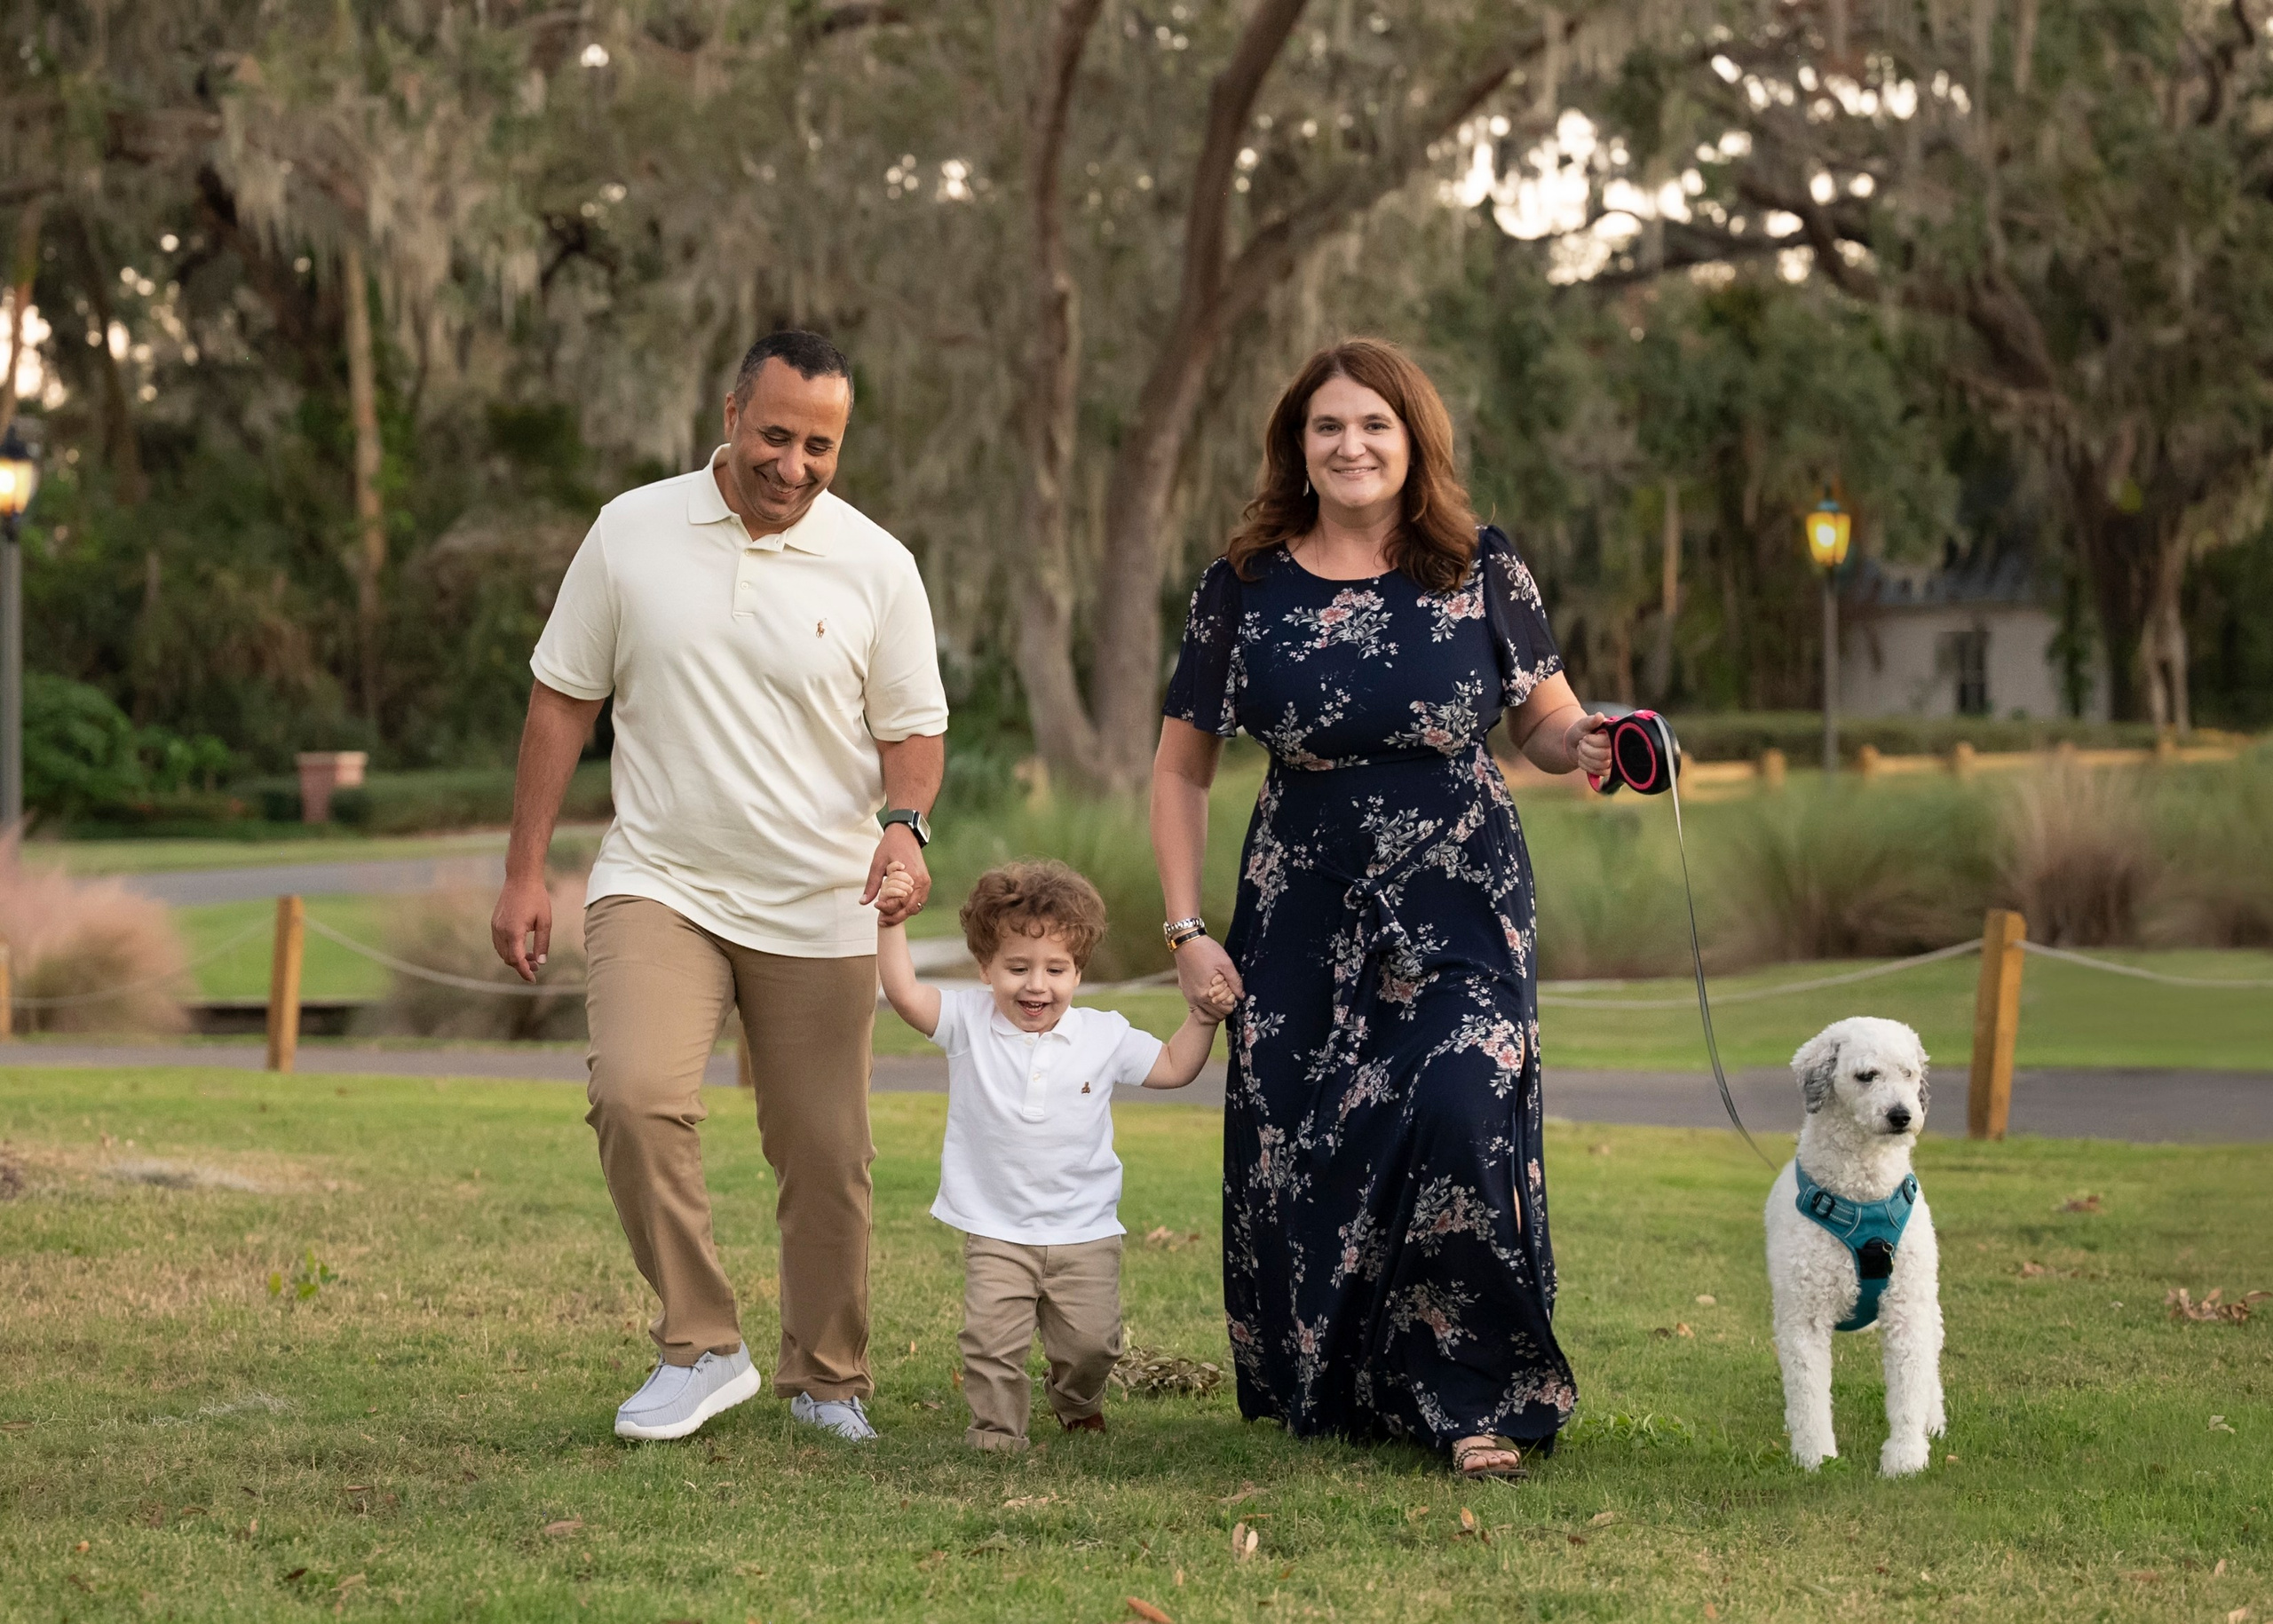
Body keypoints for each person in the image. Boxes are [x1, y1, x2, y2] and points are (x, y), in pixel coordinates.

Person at [1149, 337, 1612, 1480]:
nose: (1350, 445)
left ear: (1414, 442)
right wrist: (1186, 928)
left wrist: (1590, 740)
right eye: (1328, 426)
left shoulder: (1479, 566)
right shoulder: (1241, 585)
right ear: (1296, 446)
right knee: (1317, 1141)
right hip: (1300, 902)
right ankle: (1353, 1388)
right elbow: (1180, 770)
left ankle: (1475, 1397)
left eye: (1374, 425)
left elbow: (1542, 722)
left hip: (1462, 893)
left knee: (1461, 1102)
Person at [490, 329, 948, 1444]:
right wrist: (523, 871)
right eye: (775, 435)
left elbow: (913, 729)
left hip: (821, 897)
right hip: (662, 878)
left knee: (825, 1150)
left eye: (820, 446)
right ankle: (699, 1343)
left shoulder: (877, 562)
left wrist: (904, 828)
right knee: (633, 1094)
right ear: (732, 412)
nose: (793, 465)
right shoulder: (629, 530)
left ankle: (828, 1378)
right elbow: (562, 699)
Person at [873, 858, 1235, 1452]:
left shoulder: (1103, 1034)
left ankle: (1076, 1399)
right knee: (990, 1343)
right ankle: (996, 1434)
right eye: (1017, 968)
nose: (1036, 985)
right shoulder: (967, 1022)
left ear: (1078, 970)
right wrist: (891, 924)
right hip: (997, 1229)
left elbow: (1173, 1066)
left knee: (1093, 1345)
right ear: (985, 968)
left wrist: (1202, 1018)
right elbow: (905, 993)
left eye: (1055, 969)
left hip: (1084, 1229)